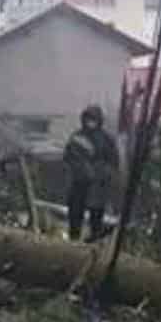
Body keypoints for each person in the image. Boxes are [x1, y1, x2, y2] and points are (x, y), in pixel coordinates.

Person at [64, 104, 119, 242]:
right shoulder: (77, 137)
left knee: (96, 214)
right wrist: (82, 169)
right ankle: (74, 238)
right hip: (79, 182)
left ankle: (94, 238)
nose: (90, 122)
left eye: (93, 118)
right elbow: (69, 157)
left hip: (98, 185)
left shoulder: (107, 139)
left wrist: (103, 173)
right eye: (88, 118)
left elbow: (113, 161)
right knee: (75, 213)